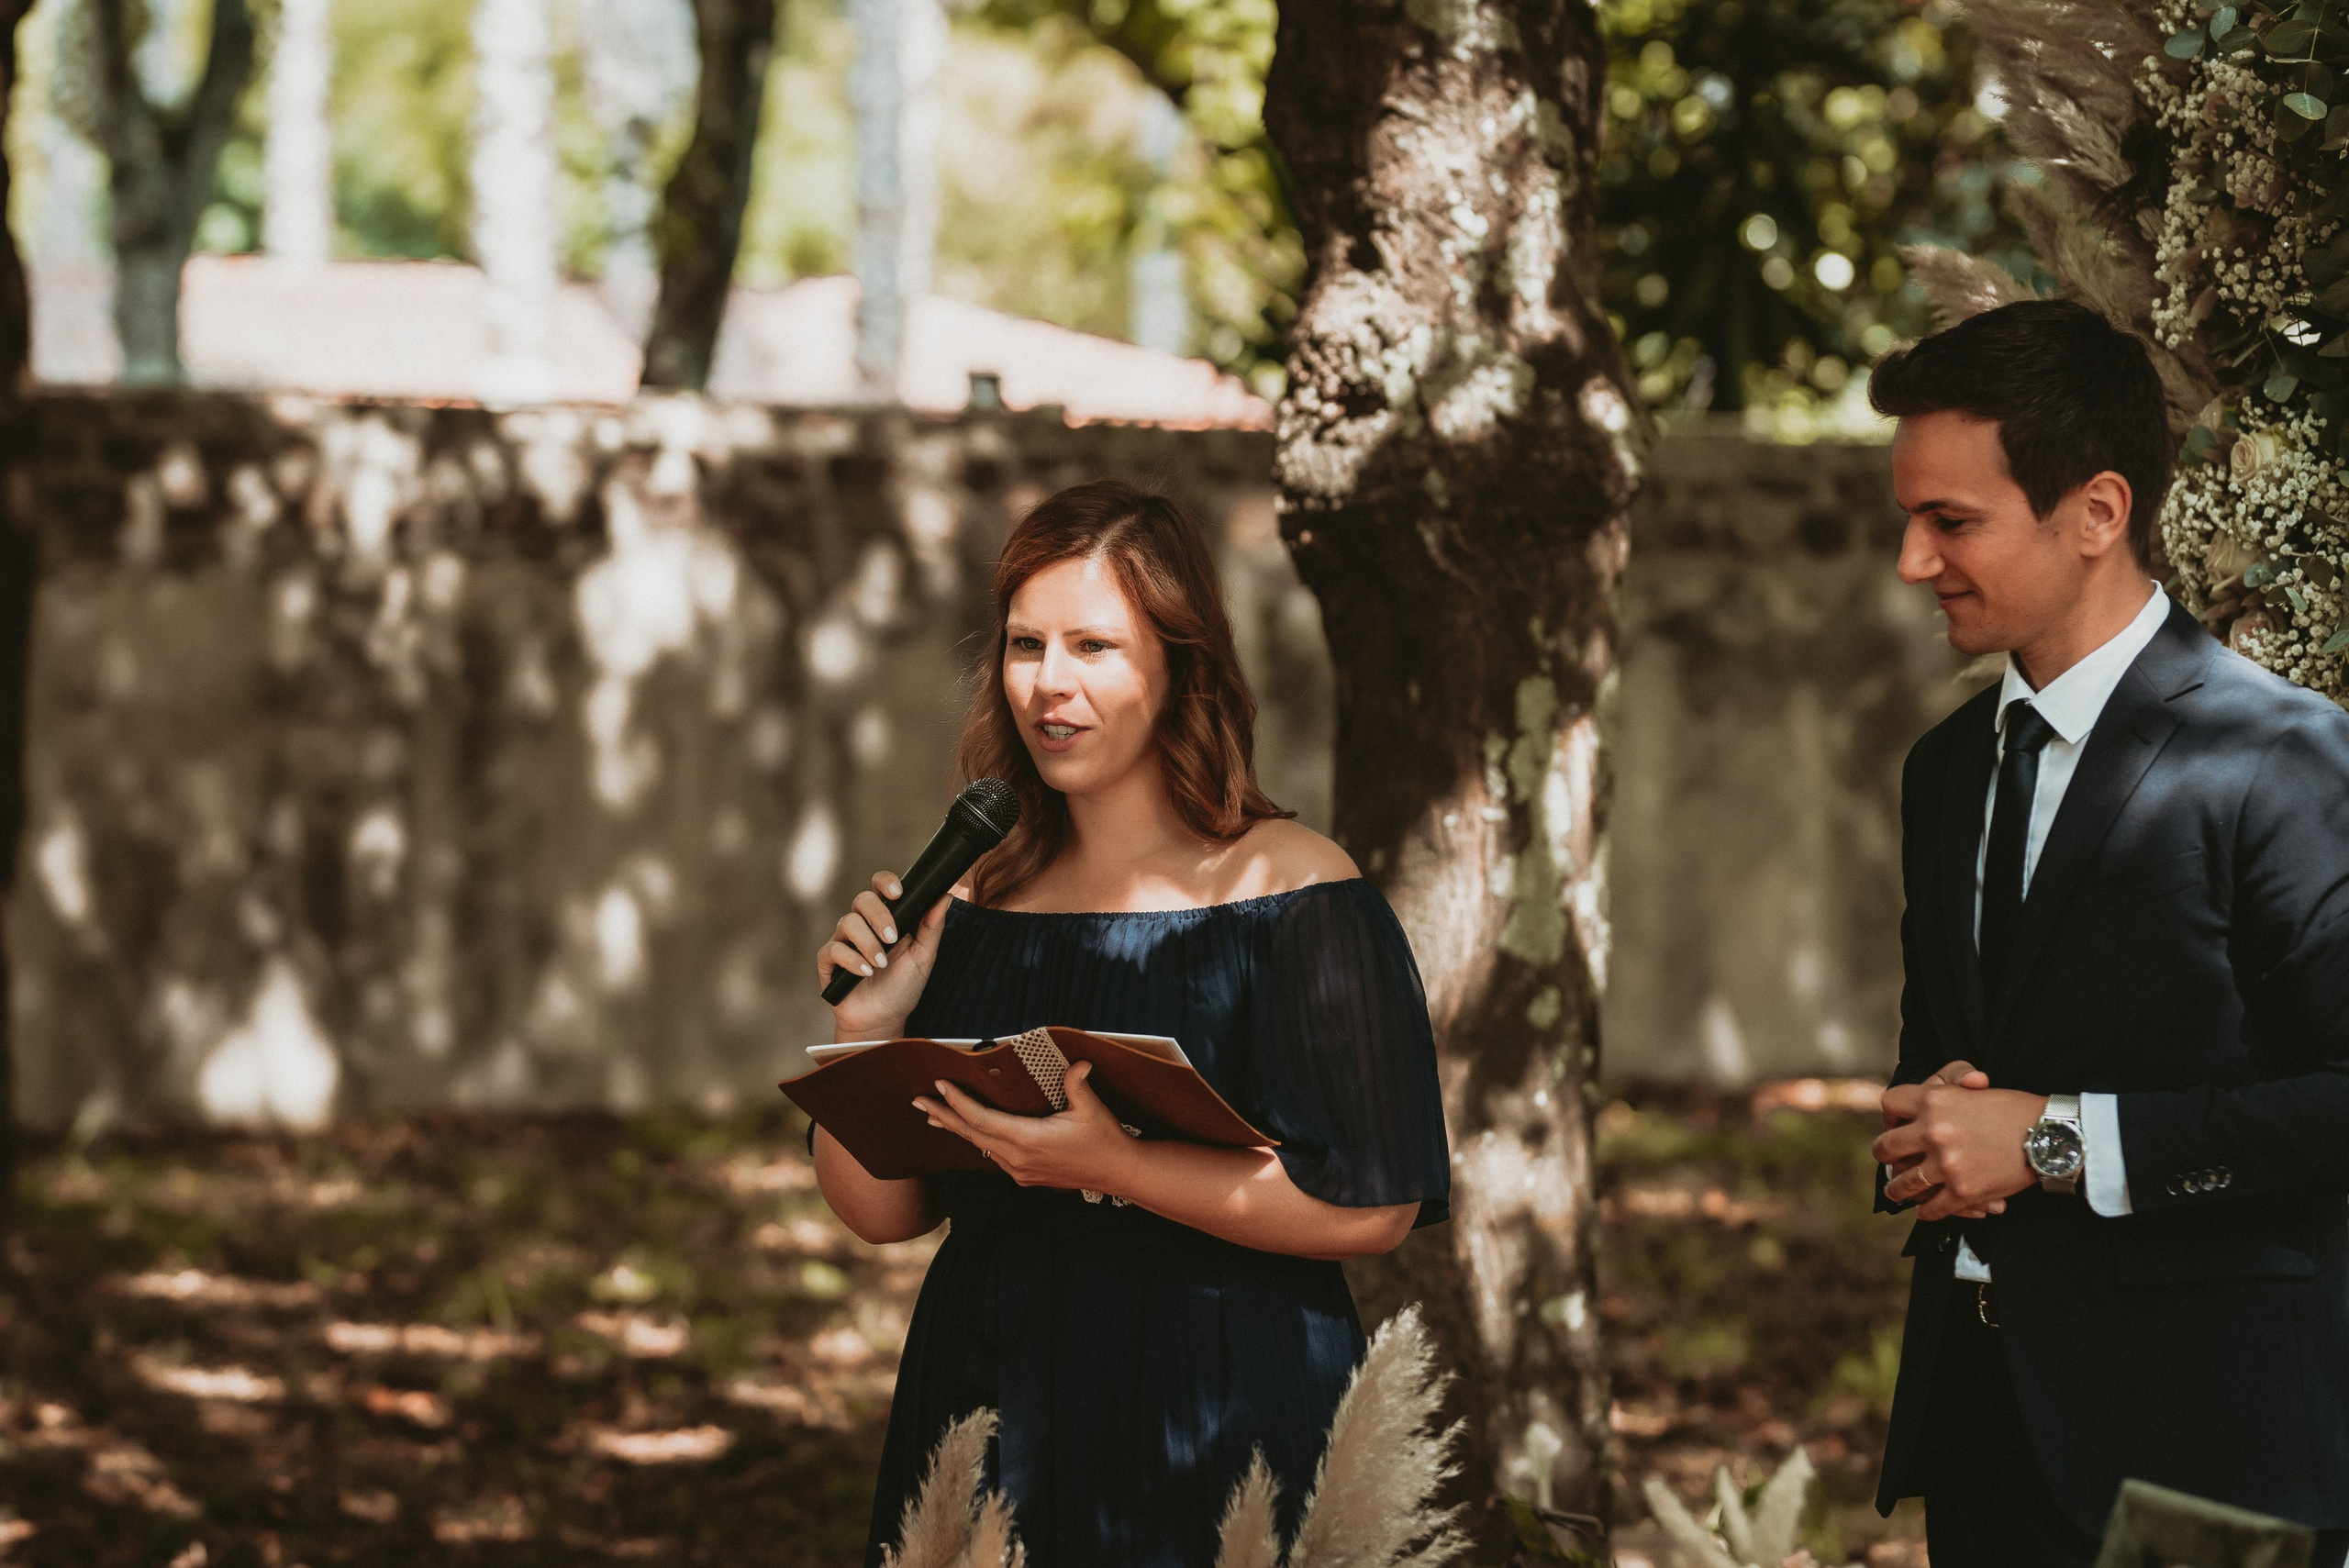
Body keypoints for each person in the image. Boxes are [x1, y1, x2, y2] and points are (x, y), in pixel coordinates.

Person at [807, 480, 1451, 1568]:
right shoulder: (973, 900)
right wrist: (866, 1029)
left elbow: (1374, 1206)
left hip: (1225, 1397)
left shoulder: (1293, 890)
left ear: (1178, 667)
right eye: (1025, 643)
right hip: (988, 1387)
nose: (1048, 683)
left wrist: (1120, 1163)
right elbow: (881, 1210)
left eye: (1093, 646)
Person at [1865, 297, 2349, 1565]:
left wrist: (2054, 1141)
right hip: (1982, 1432)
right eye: (1910, 520)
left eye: (1950, 522)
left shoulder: (2282, 758)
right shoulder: (1946, 769)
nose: (1915, 563)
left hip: (2208, 1452)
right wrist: (1925, 1130)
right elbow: (1945, 1060)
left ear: (2096, 512)